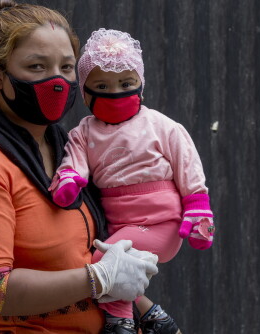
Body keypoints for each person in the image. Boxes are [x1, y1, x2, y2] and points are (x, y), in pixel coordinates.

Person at [0, 0, 159, 334]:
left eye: (66, 67)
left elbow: (89, 254)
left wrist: (153, 313)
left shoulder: (69, 149)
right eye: (37, 67)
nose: (56, 80)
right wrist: (99, 278)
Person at [49, 28, 216, 333]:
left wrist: (199, 212)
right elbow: (74, 160)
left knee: (104, 259)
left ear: (140, 86)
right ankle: (154, 317)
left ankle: (120, 321)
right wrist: (68, 180)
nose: (115, 93)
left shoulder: (161, 126)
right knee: (114, 260)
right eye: (102, 85)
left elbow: (188, 167)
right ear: (86, 94)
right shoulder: (85, 132)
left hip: (162, 225)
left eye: (125, 83)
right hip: (123, 226)